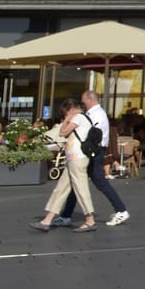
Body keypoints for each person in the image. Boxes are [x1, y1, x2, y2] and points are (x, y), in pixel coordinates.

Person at [31, 99, 97, 233]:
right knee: (60, 189)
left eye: (65, 112)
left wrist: (67, 119)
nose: (64, 115)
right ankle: (47, 220)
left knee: (81, 188)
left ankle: (90, 220)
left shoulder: (78, 117)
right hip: (72, 159)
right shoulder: (81, 118)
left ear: (70, 109)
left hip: (77, 159)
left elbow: (63, 133)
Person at [75, 90, 129, 227]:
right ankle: (65, 215)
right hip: (93, 151)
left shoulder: (97, 114)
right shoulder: (92, 113)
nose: (82, 103)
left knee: (98, 181)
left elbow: (93, 135)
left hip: (95, 152)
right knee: (75, 181)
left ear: (90, 100)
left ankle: (121, 209)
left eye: (83, 101)